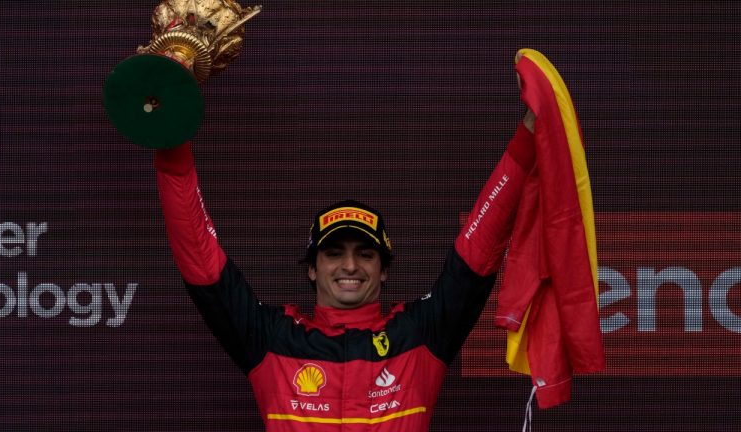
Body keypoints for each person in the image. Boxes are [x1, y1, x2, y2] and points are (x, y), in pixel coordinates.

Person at [154, 98, 536, 431]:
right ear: (312, 268)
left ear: (384, 271)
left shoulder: (420, 334)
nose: (350, 266)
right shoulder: (272, 338)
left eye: (365, 254)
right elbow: (200, 259)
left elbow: (478, 248)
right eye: (334, 253)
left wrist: (530, 135)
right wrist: (172, 142)